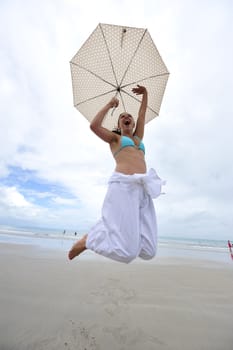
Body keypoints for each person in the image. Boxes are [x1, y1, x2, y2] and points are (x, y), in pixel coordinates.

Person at [68, 85, 165, 263]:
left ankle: (114, 237)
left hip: (142, 188)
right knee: (126, 253)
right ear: (119, 125)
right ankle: (88, 240)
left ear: (133, 123)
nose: (126, 117)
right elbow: (94, 126)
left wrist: (146, 94)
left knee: (149, 251)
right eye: (122, 117)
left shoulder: (138, 138)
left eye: (129, 116)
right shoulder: (116, 139)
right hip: (123, 185)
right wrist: (109, 105)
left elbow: (142, 114)